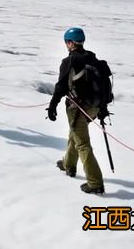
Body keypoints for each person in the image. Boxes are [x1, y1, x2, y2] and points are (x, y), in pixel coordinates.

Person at [46, 27, 105, 194]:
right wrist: (102, 109)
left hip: (77, 107)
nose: (66, 45)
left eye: (66, 42)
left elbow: (61, 87)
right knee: (75, 133)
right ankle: (68, 165)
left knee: (82, 143)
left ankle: (95, 183)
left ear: (70, 42)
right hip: (94, 107)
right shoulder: (92, 58)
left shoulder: (69, 61)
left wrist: (52, 105)